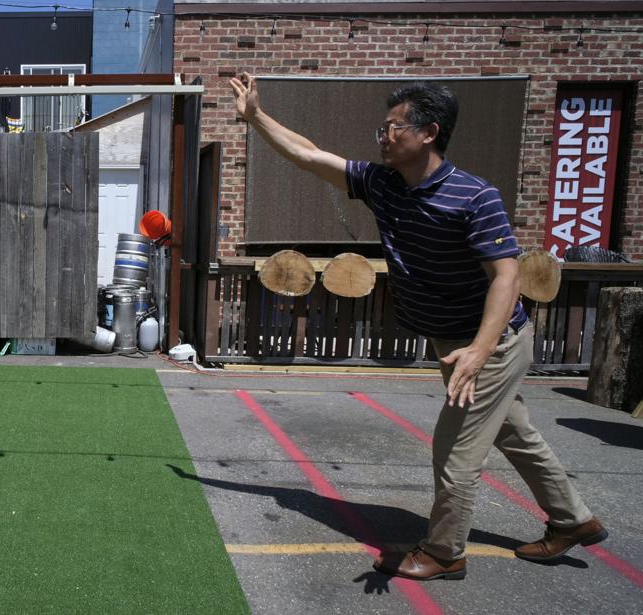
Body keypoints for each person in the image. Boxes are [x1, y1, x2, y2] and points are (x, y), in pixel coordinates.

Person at [229, 74, 606, 581]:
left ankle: (445, 552)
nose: (383, 137)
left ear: (428, 133)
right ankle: (574, 520)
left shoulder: (474, 196)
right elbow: (310, 155)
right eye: (382, 128)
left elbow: (506, 277)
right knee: (515, 433)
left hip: (492, 343)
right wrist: (256, 117)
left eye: (393, 128)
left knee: (456, 452)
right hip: (453, 341)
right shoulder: (383, 183)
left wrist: (479, 351)